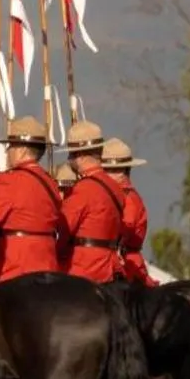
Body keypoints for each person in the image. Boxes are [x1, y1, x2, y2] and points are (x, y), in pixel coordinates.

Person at [0, 115, 65, 281]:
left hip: (14, 266)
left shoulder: (8, 181)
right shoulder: (50, 183)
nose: (7, 152)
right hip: (48, 262)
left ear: (21, 150)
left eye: (10, 147)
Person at [59, 120, 127, 283]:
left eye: (71, 154)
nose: (69, 159)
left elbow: (64, 229)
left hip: (83, 269)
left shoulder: (83, 189)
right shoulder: (115, 187)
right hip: (109, 268)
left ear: (81, 156)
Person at [102, 137, 152, 286]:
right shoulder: (120, 195)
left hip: (127, 264)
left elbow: (124, 230)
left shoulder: (128, 199)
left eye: (108, 170)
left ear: (122, 171)